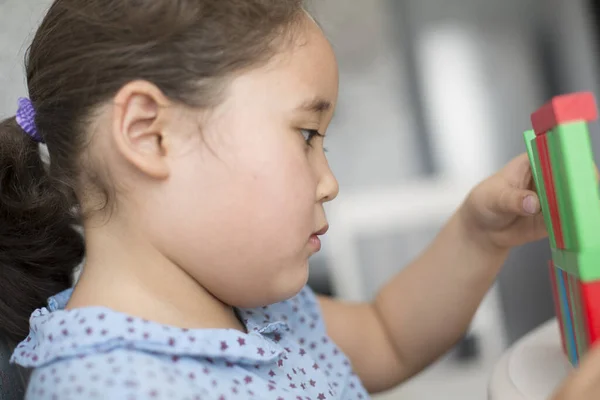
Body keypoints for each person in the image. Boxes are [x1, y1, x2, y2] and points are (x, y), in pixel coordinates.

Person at [0, 0, 598, 399]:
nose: (329, 180)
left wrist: (478, 234)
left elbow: (387, 335)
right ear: (148, 134)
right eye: (307, 135)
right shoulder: (108, 385)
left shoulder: (250, 305)